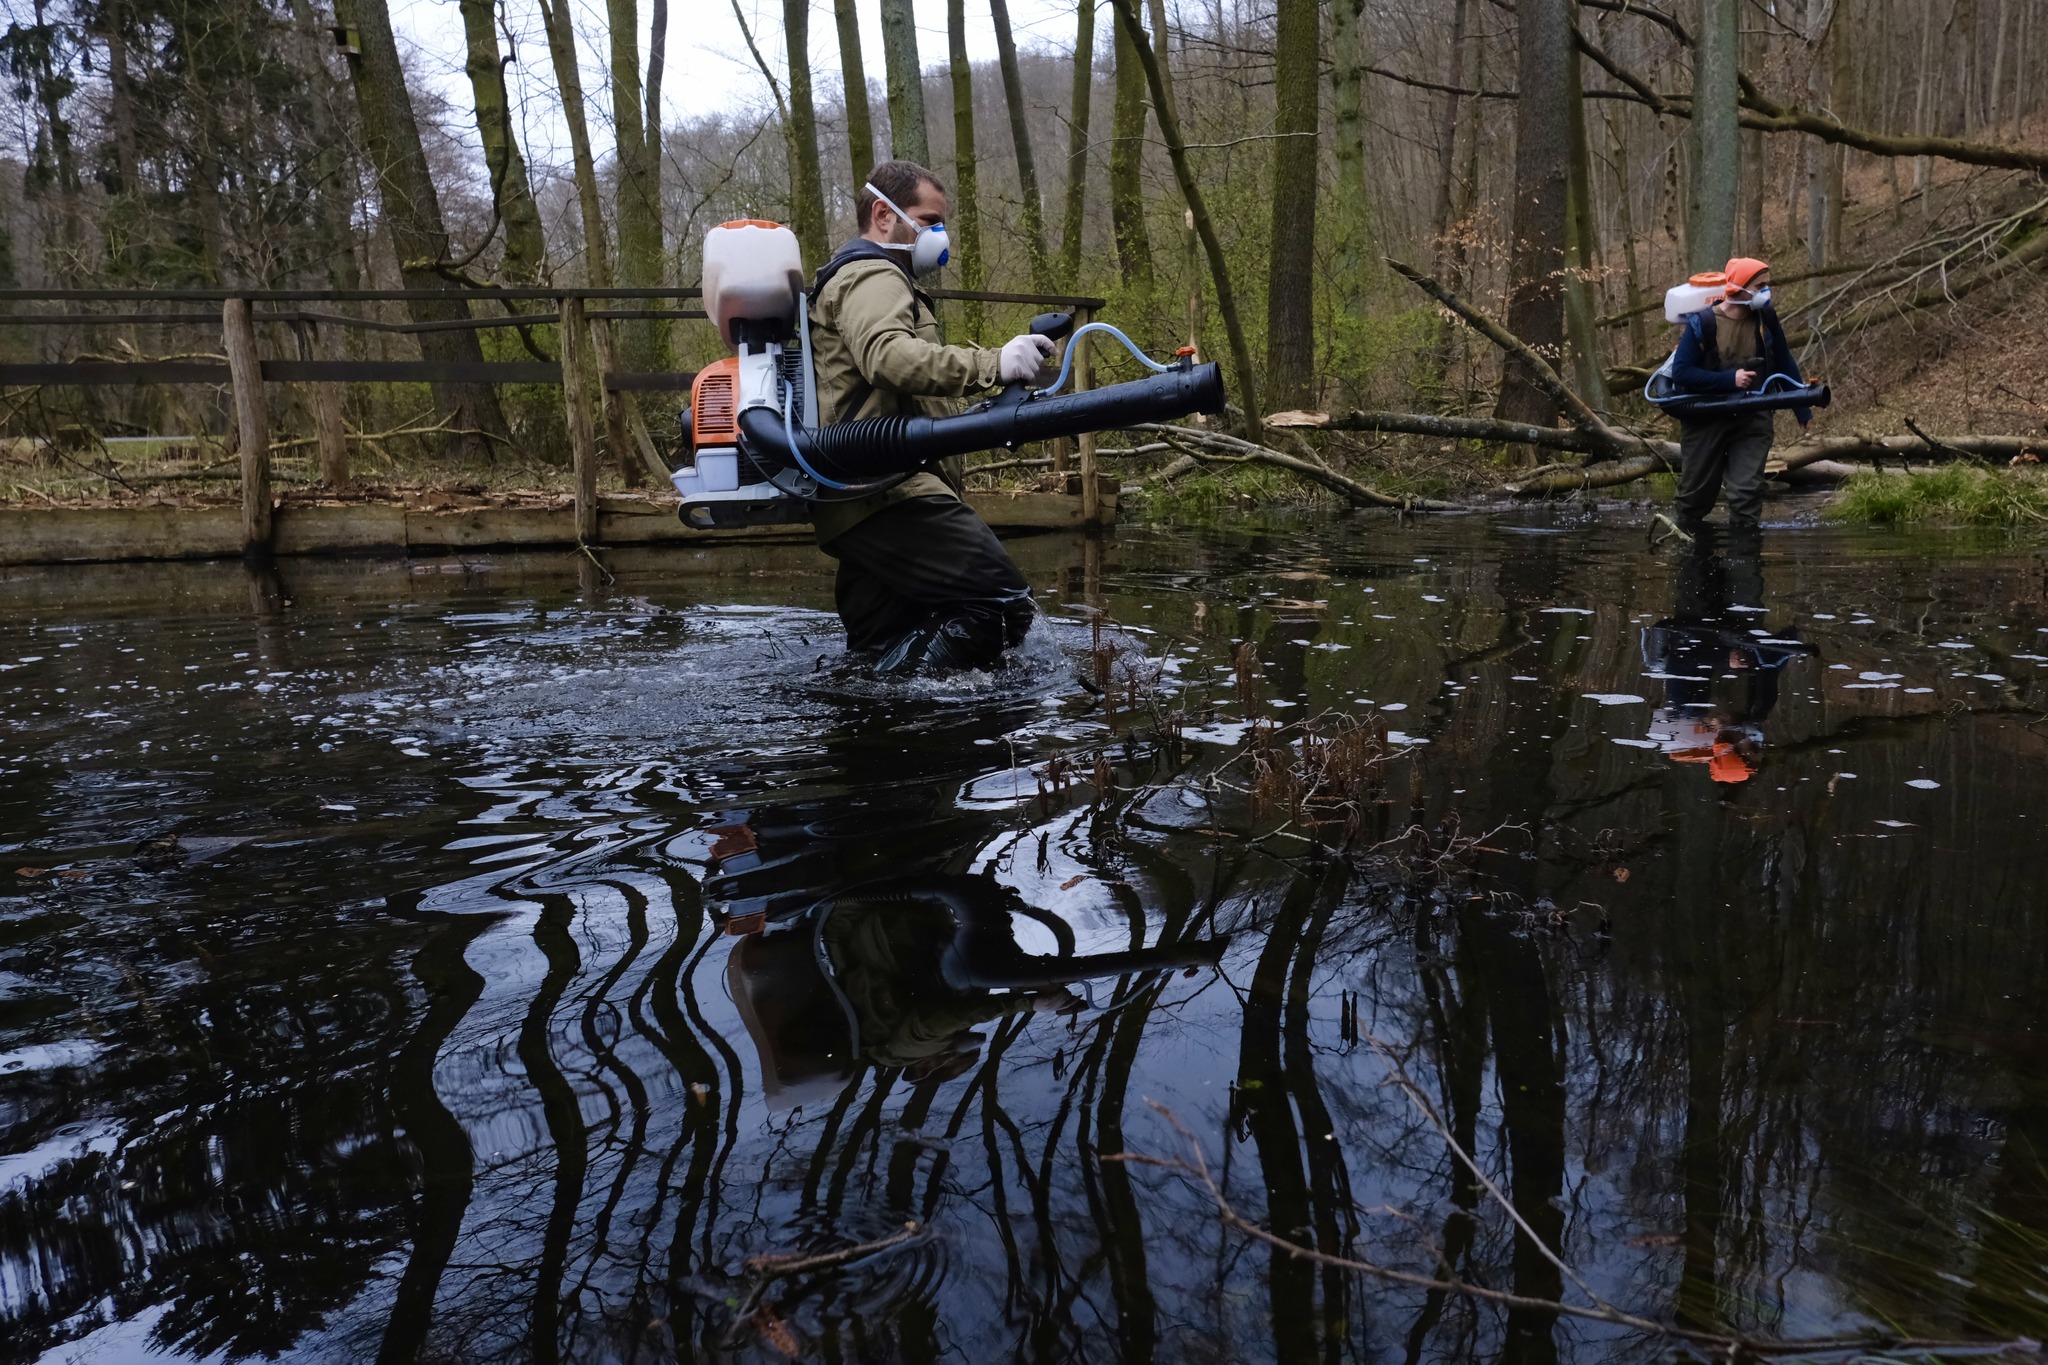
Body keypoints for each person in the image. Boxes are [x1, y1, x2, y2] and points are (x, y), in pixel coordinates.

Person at [805, 159, 1059, 675]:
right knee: (1000, 608)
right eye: (928, 220)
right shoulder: (875, 273)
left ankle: (885, 734)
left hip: (861, 502)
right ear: (883, 214)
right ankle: (904, 710)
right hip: (891, 494)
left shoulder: (862, 278)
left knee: (878, 649)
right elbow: (888, 356)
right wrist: (993, 363)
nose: (939, 236)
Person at [1666, 257, 1813, 532]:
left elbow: (1784, 361)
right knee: (1695, 497)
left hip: (1752, 416)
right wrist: (1728, 379)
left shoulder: (1766, 318)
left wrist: (1801, 407)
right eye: (1761, 285)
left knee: (1748, 492)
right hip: (1706, 417)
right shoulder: (1703, 322)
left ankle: (1745, 561)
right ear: (1739, 287)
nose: (1767, 291)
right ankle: (1690, 555)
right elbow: (1682, 373)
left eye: (1767, 285)